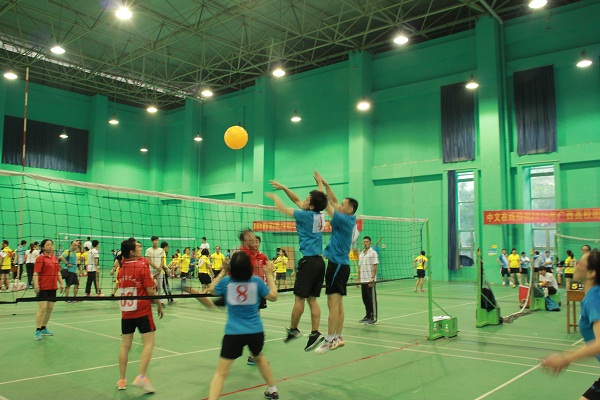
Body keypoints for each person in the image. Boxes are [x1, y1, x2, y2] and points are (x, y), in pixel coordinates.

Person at [266, 179, 329, 352]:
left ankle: (294, 330)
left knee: (299, 298)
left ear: (311, 205)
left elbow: (284, 209)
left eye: (307, 199)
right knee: (312, 299)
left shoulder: (305, 215)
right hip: (319, 262)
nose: (304, 199)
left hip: (308, 262)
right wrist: (284, 187)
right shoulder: (319, 214)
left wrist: (274, 198)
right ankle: (315, 333)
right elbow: (298, 200)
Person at [207, 251, 279, 400]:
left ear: (232, 267)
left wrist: (223, 271)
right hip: (255, 332)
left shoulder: (227, 282)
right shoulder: (256, 282)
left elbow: (212, 289)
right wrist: (269, 274)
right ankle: (272, 389)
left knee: (221, 372)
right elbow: (274, 296)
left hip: (234, 333)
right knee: (259, 357)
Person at [541, 249, 600, 400]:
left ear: (591, 273)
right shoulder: (592, 296)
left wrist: (566, 358)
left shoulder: (595, 298)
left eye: (580, 262)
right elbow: (595, 343)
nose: (576, 264)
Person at [313, 171, 358, 354]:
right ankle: (338, 337)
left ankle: (330, 340)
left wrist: (320, 187)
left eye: (343, 205)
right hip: (342, 266)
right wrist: (327, 185)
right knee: (338, 303)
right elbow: (333, 200)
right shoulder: (348, 218)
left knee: (332, 303)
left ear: (349, 209)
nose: (339, 205)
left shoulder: (342, 219)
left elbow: (326, 203)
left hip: (336, 265)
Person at [116, 238, 164, 393]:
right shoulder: (141, 266)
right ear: (131, 252)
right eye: (137, 247)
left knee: (125, 346)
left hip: (126, 313)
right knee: (149, 343)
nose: (140, 248)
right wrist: (159, 304)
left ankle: (122, 380)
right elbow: (150, 291)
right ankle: (141, 377)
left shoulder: (121, 270)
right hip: (142, 311)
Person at [33, 239, 64, 340]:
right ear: (43, 247)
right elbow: (36, 273)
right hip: (43, 288)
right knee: (42, 309)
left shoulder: (55, 258)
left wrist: (61, 283)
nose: (50, 246)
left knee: (49, 309)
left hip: (53, 287)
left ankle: (43, 328)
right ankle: (37, 330)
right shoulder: (40, 258)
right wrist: (36, 285)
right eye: (48, 245)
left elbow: (58, 272)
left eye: (51, 244)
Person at [358, 236, 379, 325]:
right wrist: (358, 279)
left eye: (367, 241)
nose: (365, 243)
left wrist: (372, 278)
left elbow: (375, 266)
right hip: (363, 280)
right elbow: (359, 267)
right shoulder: (361, 254)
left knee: (372, 300)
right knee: (365, 299)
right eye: (364, 242)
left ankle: (373, 318)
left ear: (370, 243)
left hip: (369, 280)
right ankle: (367, 316)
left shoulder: (373, 253)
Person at [145, 236, 166, 307]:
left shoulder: (161, 250)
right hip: (151, 270)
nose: (156, 242)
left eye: (157, 240)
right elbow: (148, 261)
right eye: (154, 240)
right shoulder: (148, 250)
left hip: (159, 271)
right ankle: (151, 300)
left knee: (160, 286)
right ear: (152, 241)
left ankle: (161, 301)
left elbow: (162, 260)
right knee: (150, 286)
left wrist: (160, 268)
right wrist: (157, 267)